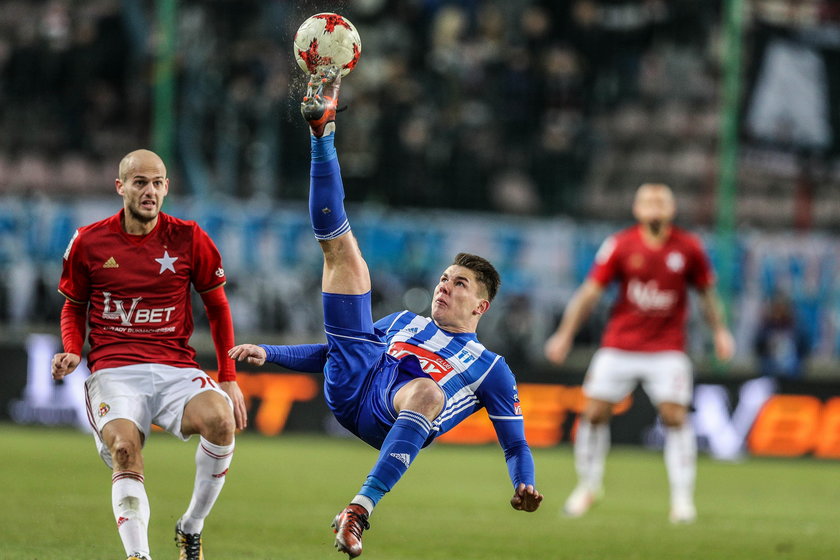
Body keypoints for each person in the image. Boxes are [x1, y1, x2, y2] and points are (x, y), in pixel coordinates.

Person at [228, 68, 542, 558]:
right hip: (352, 386)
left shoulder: (493, 370)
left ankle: (359, 509)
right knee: (345, 256)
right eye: (443, 278)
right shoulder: (402, 322)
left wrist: (524, 482)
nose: (444, 287)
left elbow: (515, 445)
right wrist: (269, 352)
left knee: (426, 390)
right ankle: (322, 134)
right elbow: (335, 353)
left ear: (481, 305)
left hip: (390, 417)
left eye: (458, 284)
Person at [51, 149, 248, 560]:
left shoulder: (190, 238)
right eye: (140, 182)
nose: (150, 191)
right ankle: (138, 556)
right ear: (120, 187)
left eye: (158, 183)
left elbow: (218, 306)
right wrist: (72, 350)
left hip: (175, 365)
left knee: (221, 421)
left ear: (167, 188)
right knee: (125, 449)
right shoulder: (89, 242)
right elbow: (73, 306)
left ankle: (190, 526)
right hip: (114, 370)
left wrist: (228, 375)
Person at [543, 183, 734, 524]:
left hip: (667, 348)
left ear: (672, 209)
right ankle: (588, 487)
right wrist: (564, 334)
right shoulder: (620, 245)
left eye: (662, 200)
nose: (655, 205)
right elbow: (590, 293)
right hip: (620, 344)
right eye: (648, 200)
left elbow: (707, 295)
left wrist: (720, 331)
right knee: (594, 411)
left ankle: (682, 501)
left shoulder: (689, 247)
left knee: (676, 416)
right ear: (637, 209)